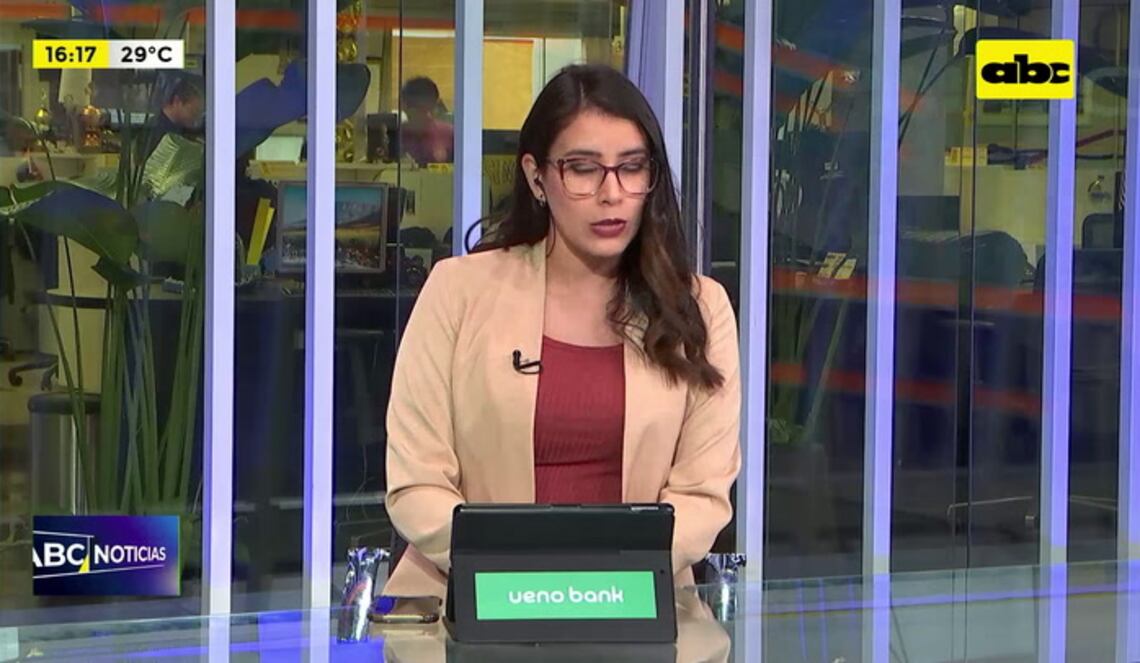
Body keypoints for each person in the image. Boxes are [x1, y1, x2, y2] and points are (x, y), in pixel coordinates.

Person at [382, 64, 742, 601]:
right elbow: (417, 483)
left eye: (631, 168)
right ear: (536, 177)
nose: (611, 193)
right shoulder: (457, 291)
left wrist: (593, 585)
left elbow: (701, 497)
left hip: (636, 602)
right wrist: (531, 583)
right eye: (583, 169)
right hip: (470, 601)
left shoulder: (700, 309)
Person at [398, 76, 454, 164]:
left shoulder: (449, 134)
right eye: (410, 105)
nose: (414, 112)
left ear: (433, 105)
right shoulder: (397, 136)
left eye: (419, 106)